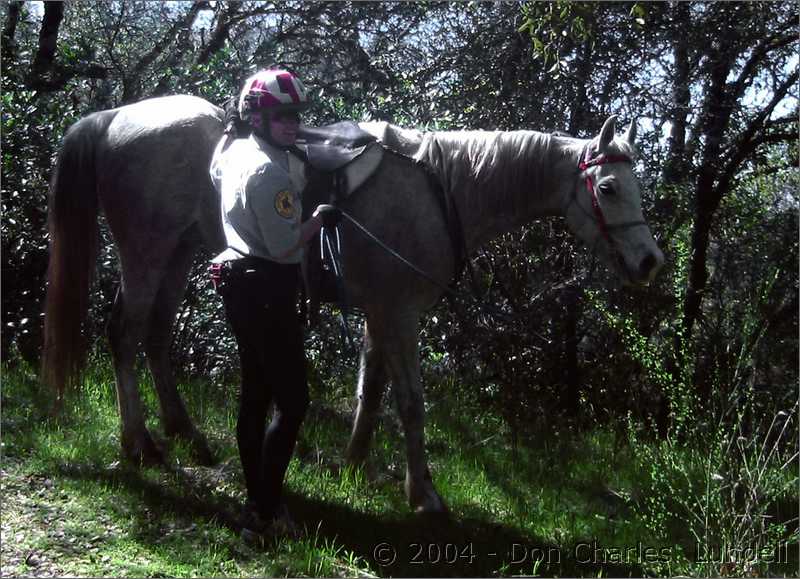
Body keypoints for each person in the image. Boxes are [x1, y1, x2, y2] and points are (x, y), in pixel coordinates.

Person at [209, 68, 338, 536]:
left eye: (296, 115)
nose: (292, 124)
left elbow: (214, 169)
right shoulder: (270, 173)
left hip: (237, 280)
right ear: (259, 118)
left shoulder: (235, 151)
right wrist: (320, 217)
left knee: (255, 393)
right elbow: (287, 246)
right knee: (294, 402)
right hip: (268, 286)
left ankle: (258, 500)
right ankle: (263, 514)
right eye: (282, 116)